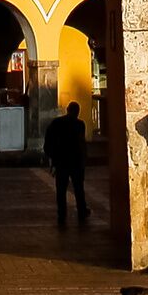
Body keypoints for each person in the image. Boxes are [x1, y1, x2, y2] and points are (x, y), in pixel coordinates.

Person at [43, 96, 88, 230]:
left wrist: (52, 158)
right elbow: (82, 144)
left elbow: (48, 141)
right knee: (78, 188)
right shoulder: (80, 124)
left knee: (61, 190)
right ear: (77, 111)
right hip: (76, 162)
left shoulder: (56, 123)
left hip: (61, 161)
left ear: (67, 110)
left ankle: (62, 215)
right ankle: (81, 211)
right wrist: (84, 159)